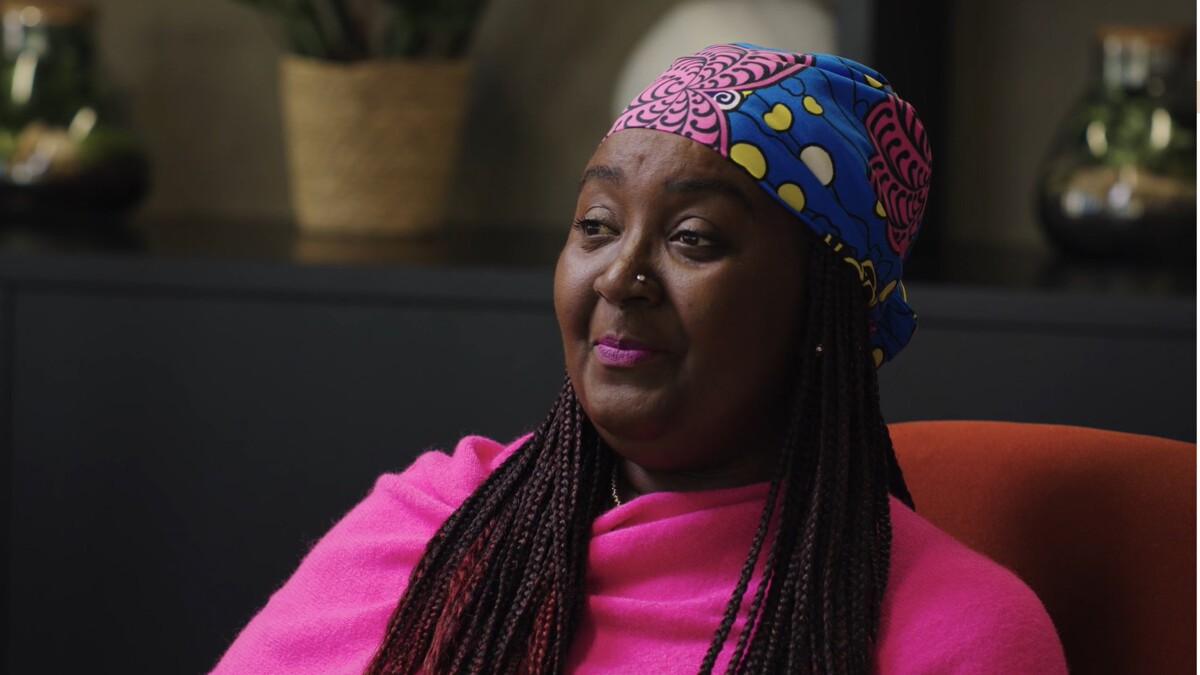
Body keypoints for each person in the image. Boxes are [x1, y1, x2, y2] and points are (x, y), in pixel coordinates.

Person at [213, 44, 1067, 674]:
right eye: (595, 225)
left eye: (693, 238)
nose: (622, 274)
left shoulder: (956, 632)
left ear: (821, 307)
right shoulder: (430, 523)